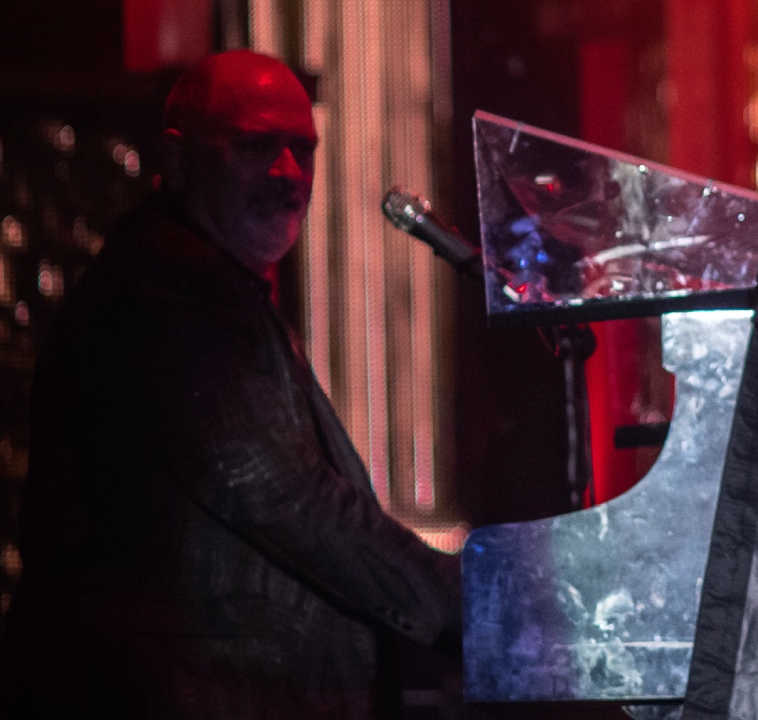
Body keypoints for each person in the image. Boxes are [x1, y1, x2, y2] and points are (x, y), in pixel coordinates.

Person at [0, 51, 460, 718]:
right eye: (256, 147)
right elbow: (293, 502)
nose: (288, 174)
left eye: (302, 150)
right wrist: (488, 605)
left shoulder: (210, 285)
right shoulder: (162, 297)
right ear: (178, 162)